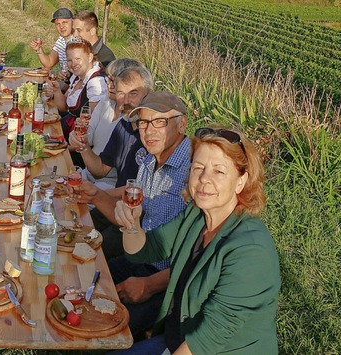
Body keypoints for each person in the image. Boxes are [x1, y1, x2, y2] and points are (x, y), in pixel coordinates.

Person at [112, 127, 280, 354]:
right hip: (177, 339)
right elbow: (145, 250)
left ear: (241, 181)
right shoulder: (196, 216)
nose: (203, 179)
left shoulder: (250, 250)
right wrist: (131, 226)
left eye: (218, 172)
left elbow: (208, 339)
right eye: (198, 168)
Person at [69, 91, 191, 339]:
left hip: (169, 282)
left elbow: (197, 255)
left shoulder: (193, 172)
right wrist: (94, 195)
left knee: (101, 332)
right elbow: (128, 221)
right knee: (76, 287)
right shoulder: (147, 160)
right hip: (138, 258)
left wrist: (150, 285)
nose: (149, 131)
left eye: (159, 122)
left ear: (182, 123)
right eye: (143, 123)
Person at [68, 58, 142, 191]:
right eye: (107, 79)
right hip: (89, 172)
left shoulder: (131, 121)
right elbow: (88, 137)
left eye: (114, 81)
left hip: (109, 184)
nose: (109, 85)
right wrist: (78, 136)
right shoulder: (105, 103)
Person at [45, 38, 107, 141]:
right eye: (69, 60)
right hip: (69, 127)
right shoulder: (77, 76)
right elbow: (64, 107)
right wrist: (57, 91)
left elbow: (91, 122)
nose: (73, 64)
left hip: (81, 138)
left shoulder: (96, 83)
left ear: (90, 57)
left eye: (78, 59)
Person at [29, 7, 74, 72]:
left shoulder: (78, 40)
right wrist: (38, 49)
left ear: (72, 22)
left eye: (64, 22)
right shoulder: (61, 40)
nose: (61, 27)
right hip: (66, 80)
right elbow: (49, 63)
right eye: (58, 24)